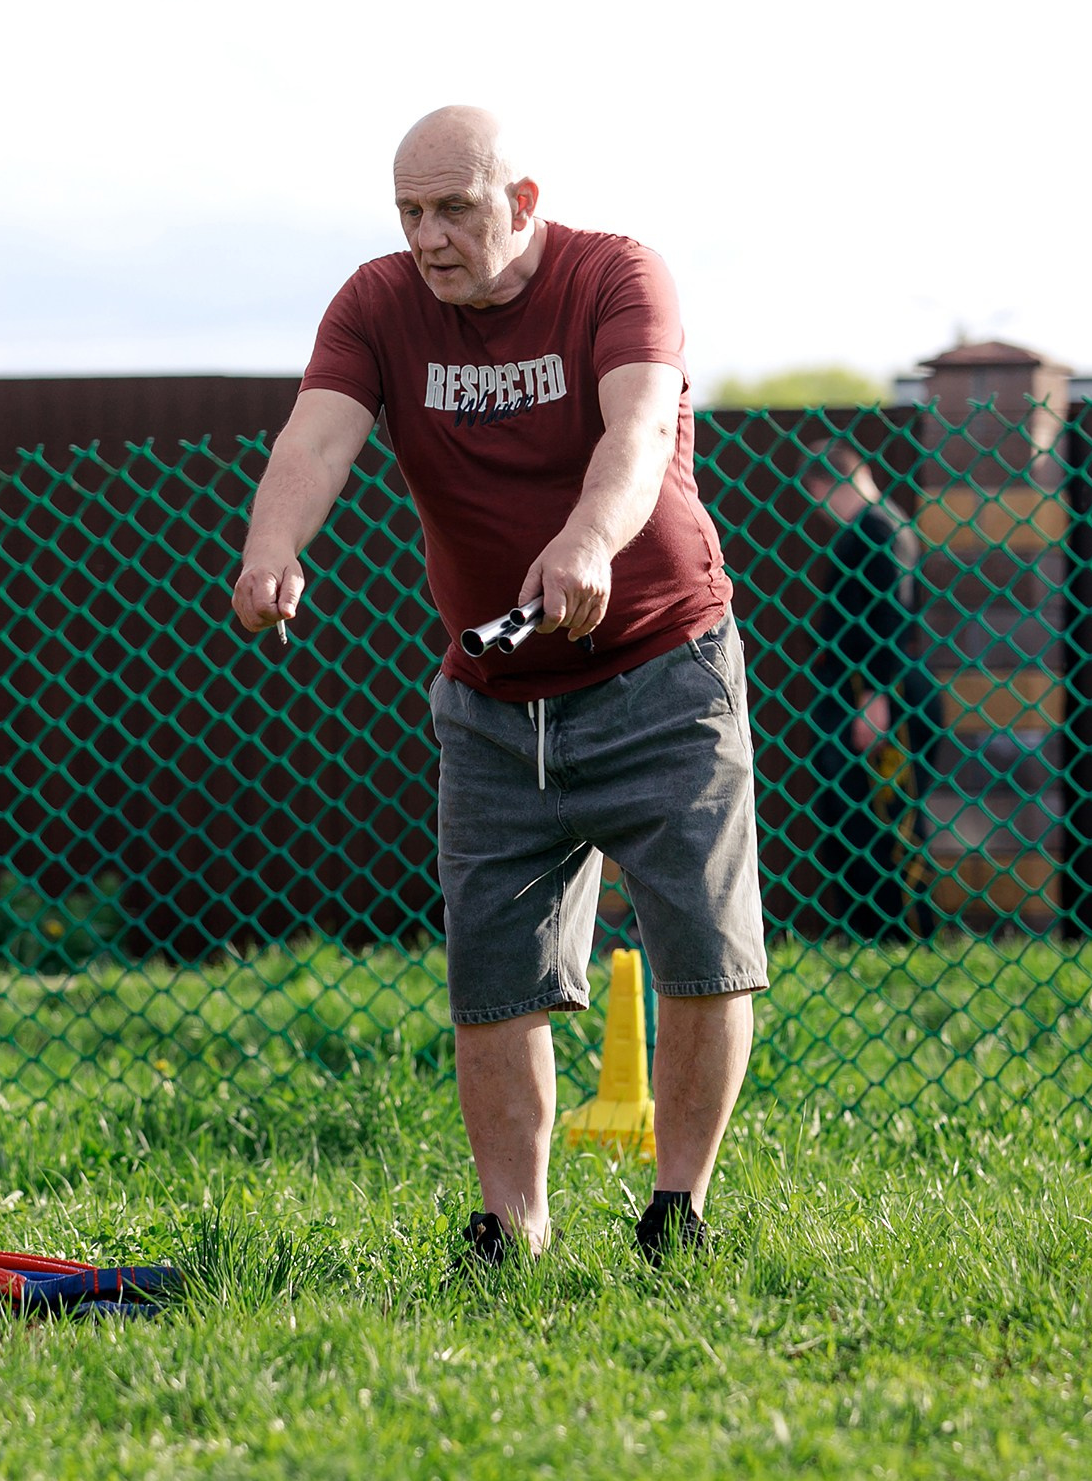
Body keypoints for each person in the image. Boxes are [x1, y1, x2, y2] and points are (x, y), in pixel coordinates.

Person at [231, 106, 767, 1264]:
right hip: (491, 694)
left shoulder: (615, 276)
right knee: (494, 977)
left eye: (454, 209)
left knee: (704, 948)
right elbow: (315, 440)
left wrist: (586, 540)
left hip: (660, 660)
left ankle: (679, 1209)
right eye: (410, 213)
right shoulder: (376, 305)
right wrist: (272, 550)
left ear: (520, 201)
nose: (429, 237)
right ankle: (511, 1226)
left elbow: (634, 432)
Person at [802, 440, 941, 940]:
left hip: (879, 699)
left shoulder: (877, 528)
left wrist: (877, 696)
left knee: (886, 820)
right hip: (861, 697)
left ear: (822, 486)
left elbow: (892, 616)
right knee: (855, 817)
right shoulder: (882, 525)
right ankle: (869, 934)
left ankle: (903, 935)